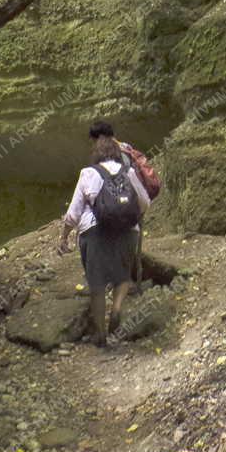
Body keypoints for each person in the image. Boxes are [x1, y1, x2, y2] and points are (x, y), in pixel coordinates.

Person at [58, 125, 150, 346]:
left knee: (97, 284)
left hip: (95, 232)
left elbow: (73, 213)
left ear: (96, 153)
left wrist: (63, 236)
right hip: (128, 232)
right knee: (122, 277)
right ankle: (117, 309)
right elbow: (145, 202)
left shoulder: (88, 173)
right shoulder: (128, 173)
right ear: (118, 154)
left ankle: (100, 335)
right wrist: (131, 219)